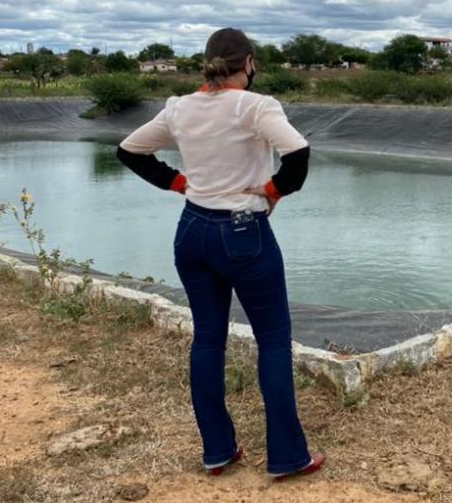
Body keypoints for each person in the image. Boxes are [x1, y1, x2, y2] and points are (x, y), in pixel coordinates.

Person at [116, 27, 324, 480]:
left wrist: (179, 183)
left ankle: (218, 451)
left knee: (208, 338)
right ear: (248, 62)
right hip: (244, 232)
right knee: (271, 339)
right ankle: (287, 457)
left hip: (192, 230)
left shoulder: (179, 108)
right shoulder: (256, 106)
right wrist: (273, 190)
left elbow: (129, 150)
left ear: (209, 63)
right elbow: (298, 153)